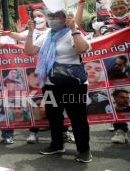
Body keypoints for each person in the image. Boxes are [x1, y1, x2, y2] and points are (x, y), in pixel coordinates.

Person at [25, 10, 92, 163]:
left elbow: (82, 49)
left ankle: (84, 150)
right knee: (54, 116)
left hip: (73, 84)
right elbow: (29, 52)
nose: (53, 19)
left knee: (78, 118)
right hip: (50, 84)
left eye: (57, 16)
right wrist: (30, 33)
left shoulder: (72, 32)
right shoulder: (47, 34)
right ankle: (56, 145)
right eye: (51, 16)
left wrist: (74, 28)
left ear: (65, 18)